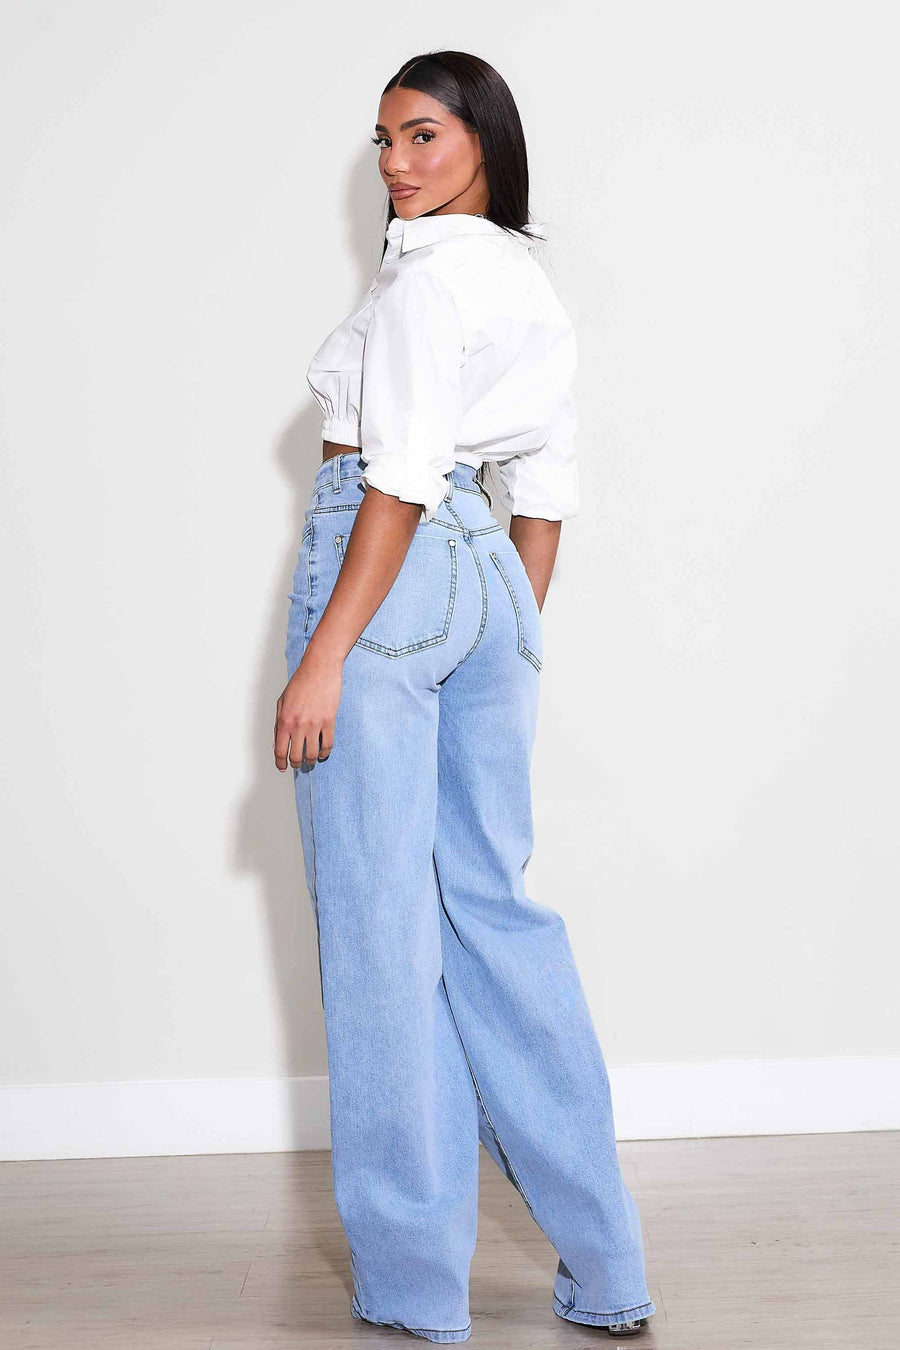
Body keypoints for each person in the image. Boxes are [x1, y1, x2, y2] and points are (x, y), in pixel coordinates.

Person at [275, 50, 655, 1343]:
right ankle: (609, 1265)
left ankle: (416, 1290)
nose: (395, 162)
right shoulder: (526, 283)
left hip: (384, 572)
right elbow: (542, 493)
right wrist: (505, 635)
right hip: (492, 581)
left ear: (484, 138)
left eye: (423, 135)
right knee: (499, 914)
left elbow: (395, 477)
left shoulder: (429, 277)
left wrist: (330, 654)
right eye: (384, 138)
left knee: (382, 937)